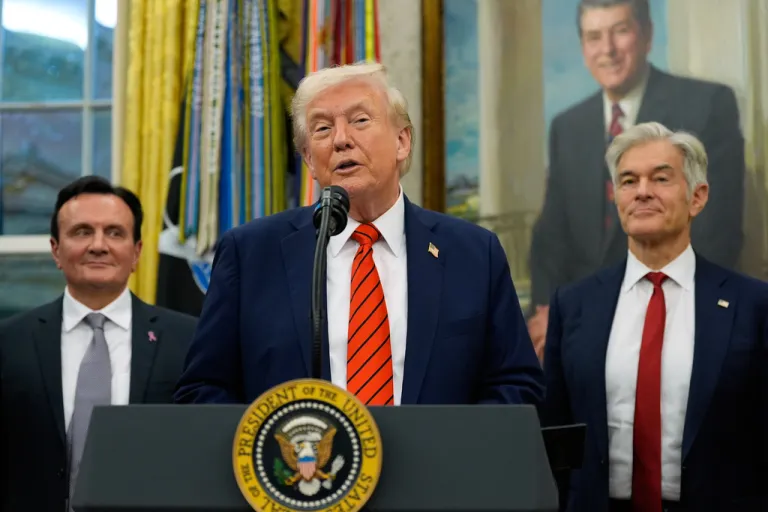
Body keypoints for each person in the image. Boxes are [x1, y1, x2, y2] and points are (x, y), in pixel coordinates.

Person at [174, 62, 544, 407]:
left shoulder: (473, 254)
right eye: (322, 129)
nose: (340, 140)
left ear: (402, 141)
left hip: (438, 472)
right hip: (300, 469)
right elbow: (203, 389)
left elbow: (516, 385)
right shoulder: (251, 253)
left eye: (360, 120)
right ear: (308, 160)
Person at [540, 122, 767, 511]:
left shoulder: (753, 305)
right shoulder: (574, 304)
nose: (642, 191)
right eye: (628, 181)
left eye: (661, 178)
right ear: (616, 198)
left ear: (697, 197)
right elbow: (555, 433)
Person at [527, 0, 745, 358]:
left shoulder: (706, 106)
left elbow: (718, 235)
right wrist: (551, 309)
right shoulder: (568, 127)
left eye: (621, 31)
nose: (608, 49)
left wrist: (607, 316)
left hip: (672, 306)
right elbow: (550, 240)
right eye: (594, 36)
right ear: (583, 48)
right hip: (577, 319)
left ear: (646, 36)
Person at [0, 176, 198, 512]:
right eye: (81, 232)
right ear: (56, 250)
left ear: (136, 252)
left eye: (115, 232)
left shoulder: (189, 340)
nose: (98, 245)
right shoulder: (9, 342)